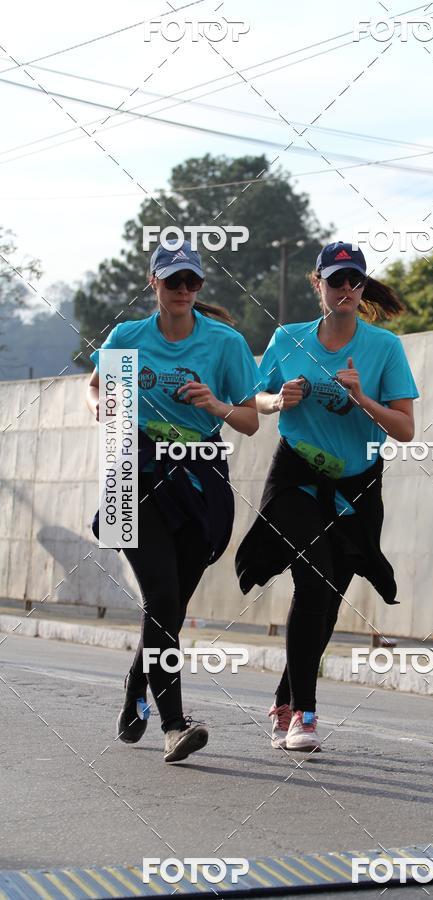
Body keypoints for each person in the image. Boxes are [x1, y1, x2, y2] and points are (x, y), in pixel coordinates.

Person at [235, 241, 419, 752]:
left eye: (354, 281)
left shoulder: (384, 347)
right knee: (314, 580)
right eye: (335, 281)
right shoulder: (287, 338)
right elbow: (255, 399)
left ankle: (285, 697)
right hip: (296, 474)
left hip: (356, 483)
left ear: (362, 287)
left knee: (332, 593)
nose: (345, 290)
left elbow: (405, 429)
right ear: (317, 284)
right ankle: (305, 717)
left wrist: (363, 400)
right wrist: (278, 400)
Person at [86, 239, 263, 763]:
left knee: (170, 609)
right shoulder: (127, 337)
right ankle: (174, 725)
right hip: (134, 476)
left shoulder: (225, 344)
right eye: (172, 281)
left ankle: (136, 683)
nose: (183, 290)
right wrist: (104, 406)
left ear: (199, 287)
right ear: (153, 283)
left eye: (191, 282)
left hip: (201, 478)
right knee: (162, 599)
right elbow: (94, 389)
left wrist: (215, 403)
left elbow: (251, 421)